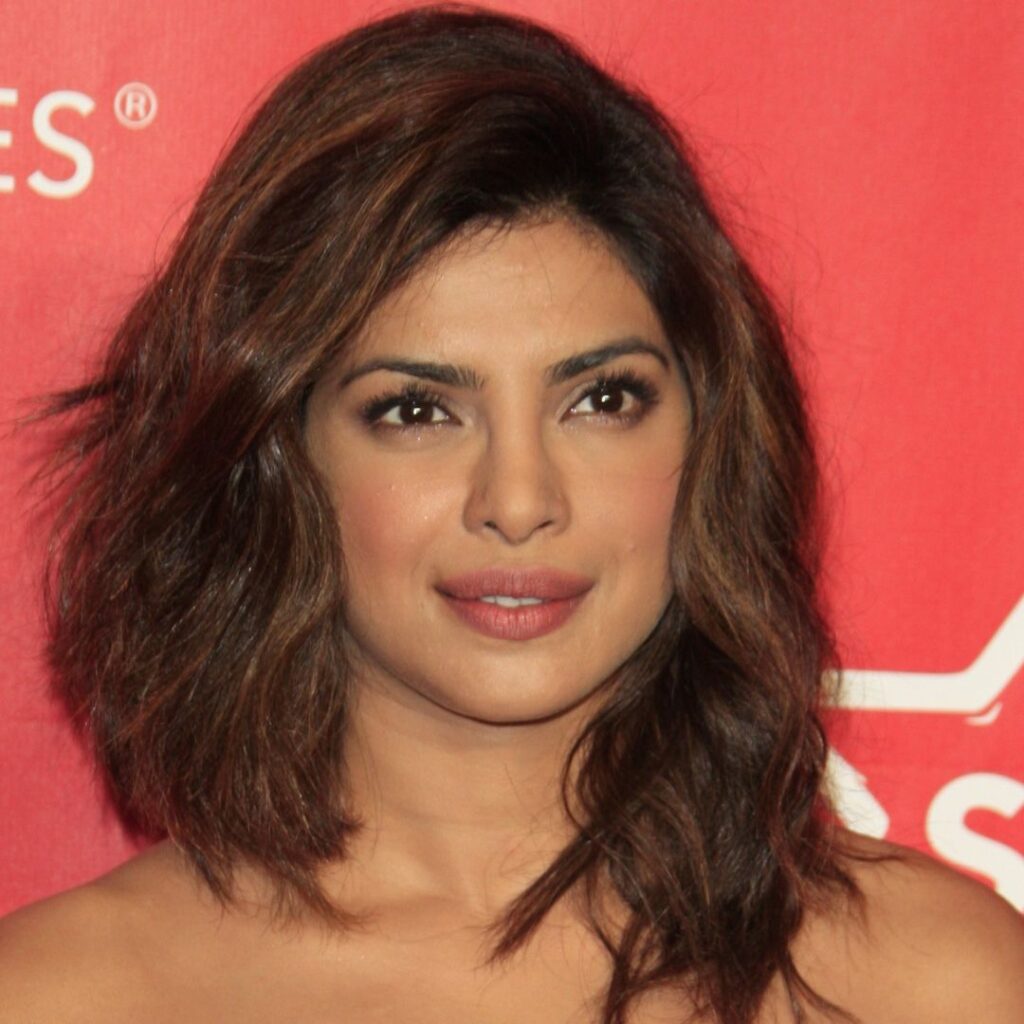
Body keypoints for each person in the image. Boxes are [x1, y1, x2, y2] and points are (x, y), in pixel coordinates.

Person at [1, 5, 1021, 1023]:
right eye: (416, 411)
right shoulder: (64, 995)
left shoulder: (938, 982)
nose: (522, 501)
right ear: (275, 458)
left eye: (602, 399)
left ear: (707, 433)